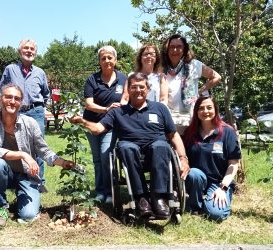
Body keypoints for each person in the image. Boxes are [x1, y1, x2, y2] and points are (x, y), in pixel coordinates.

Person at [71, 72, 190, 219]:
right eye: (134, 87)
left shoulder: (160, 108)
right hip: (131, 149)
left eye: (141, 87)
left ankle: (159, 197)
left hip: (157, 149)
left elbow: (173, 135)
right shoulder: (118, 112)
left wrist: (183, 158)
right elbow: (98, 129)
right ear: (128, 90)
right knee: (127, 147)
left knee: (161, 146)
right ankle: (141, 198)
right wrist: (82, 121)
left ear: (148, 89)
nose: (138, 90)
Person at [0, 83, 74, 230]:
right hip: (3, 173)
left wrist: (63, 163)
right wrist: (24, 155)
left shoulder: (30, 123)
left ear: (21, 102)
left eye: (17, 98)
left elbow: (44, 150)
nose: (12, 101)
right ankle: (1, 208)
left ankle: (23, 195)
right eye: (8, 97)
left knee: (28, 216)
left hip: (26, 175)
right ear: (0, 99)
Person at [0, 39, 50, 183]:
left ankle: (39, 182)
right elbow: (1, 90)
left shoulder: (40, 72)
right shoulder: (10, 69)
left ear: (36, 53)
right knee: (16, 144)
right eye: (26, 48)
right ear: (20, 51)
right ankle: (17, 179)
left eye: (32, 49)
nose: (29, 51)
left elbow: (46, 94)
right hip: (16, 112)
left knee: (39, 147)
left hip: (36, 112)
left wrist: (39, 108)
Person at [183, 95, 241, 221]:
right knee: (194, 173)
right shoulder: (190, 132)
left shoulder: (227, 132)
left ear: (215, 109)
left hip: (219, 182)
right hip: (196, 180)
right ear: (196, 112)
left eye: (209, 107)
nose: (205, 111)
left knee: (216, 215)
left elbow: (234, 164)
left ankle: (210, 201)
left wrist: (223, 187)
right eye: (201, 108)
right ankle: (195, 207)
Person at [83, 45, 127, 203]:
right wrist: (106, 109)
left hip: (110, 125)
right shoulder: (92, 80)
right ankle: (100, 191)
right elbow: (88, 104)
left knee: (106, 156)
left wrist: (118, 107)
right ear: (99, 61)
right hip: (91, 124)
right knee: (96, 159)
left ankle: (110, 192)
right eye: (103, 58)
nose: (107, 60)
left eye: (110, 57)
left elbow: (125, 99)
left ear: (115, 60)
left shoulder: (124, 79)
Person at [161, 34, 221, 134]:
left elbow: (216, 77)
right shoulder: (161, 68)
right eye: (172, 47)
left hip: (191, 117)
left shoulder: (194, 65)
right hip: (170, 119)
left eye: (179, 47)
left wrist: (200, 91)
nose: (175, 50)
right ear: (167, 49)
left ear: (184, 49)